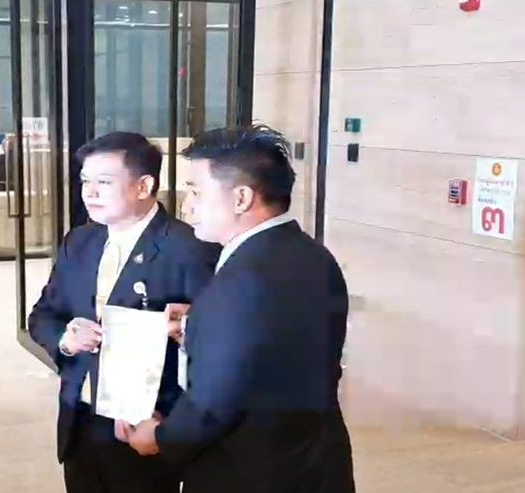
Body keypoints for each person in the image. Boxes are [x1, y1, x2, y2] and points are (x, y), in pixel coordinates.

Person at [121, 124, 355, 493]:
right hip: (316, 464)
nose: (187, 205)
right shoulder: (311, 255)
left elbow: (213, 404)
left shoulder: (241, 280)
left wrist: (159, 437)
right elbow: (272, 353)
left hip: (250, 472)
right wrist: (200, 328)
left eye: (196, 191)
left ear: (241, 198)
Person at [28, 132, 219, 493]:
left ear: (144, 185)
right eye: (85, 181)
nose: (89, 193)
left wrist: (172, 425)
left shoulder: (189, 248)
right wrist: (66, 339)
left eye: (104, 182)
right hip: (80, 419)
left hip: (146, 427)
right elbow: (43, 315)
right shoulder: (79, 241)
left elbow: (214, 350)